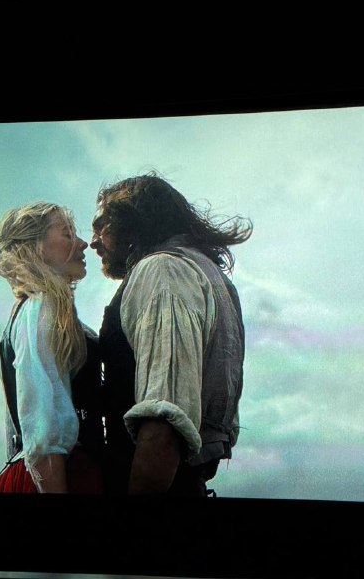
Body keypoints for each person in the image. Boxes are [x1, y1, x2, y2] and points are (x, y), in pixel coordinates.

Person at [91, 172, 252, 496]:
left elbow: (163, 423)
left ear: (131, 220)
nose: (93, 241)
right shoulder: (205, 272)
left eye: (101, 225)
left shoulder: (162, 271)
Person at [0, 202, 104, 494]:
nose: (83, 244)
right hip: (55, 476)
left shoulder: (41, 310)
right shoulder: (40, 307)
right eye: (67, 234)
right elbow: (42, 426)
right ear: (35, 247)